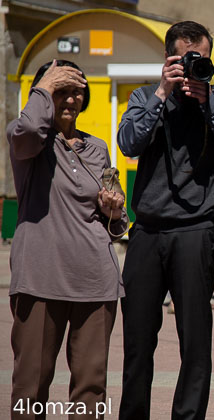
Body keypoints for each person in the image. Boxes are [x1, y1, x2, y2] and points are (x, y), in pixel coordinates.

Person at [116, 21, 214, 420]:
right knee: (137, 342)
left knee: (195, 344)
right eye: (185, 59)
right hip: (147, 231)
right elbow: (128, 143)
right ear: (167, 59)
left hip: (196, 231)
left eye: (202, 59)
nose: (195, 66)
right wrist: (163, 92)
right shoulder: (145, 95)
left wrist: (209, 103)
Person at [7, 59, 127, 419]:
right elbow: (29, 128)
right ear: (43, 93)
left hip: (96, 279)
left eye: (77, 91)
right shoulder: (28, 142)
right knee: (31, 385)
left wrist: (115, 210)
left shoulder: (98, 148)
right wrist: (45, 84)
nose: (71, 98)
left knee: (91, 388)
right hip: (40, 278)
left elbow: (116, 218)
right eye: (62, 90)